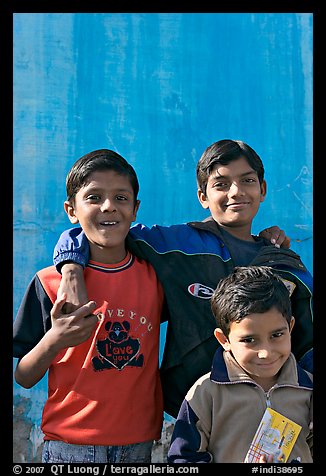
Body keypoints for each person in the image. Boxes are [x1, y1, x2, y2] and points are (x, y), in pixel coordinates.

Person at [52, 139, 313, 418]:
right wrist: (70, 268)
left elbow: (307, 342)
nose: (235, 192)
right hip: (195, 411)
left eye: (247, 180)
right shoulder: (176, 246)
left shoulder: (285, 266)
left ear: (262, 190)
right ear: (202, 196)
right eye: (221, 184)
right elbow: (101, 228)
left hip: (268, 414)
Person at [13, 149, 166, 463]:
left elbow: (208, 240)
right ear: (72, 210)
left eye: (121, 198)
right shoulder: (48, 282)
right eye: (94, 197)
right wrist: (55, 339)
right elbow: (24, 376)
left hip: (138, 446)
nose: (108, 206)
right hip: (69, 446)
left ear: (135, 209)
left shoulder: (157, 278)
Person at [167, 266, 313, 463]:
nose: (265, 353)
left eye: (277, 335)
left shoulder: (308, 388)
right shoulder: (206, 393)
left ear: (291, 327)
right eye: (250, 340)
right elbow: (182, 459)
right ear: (224, 339)